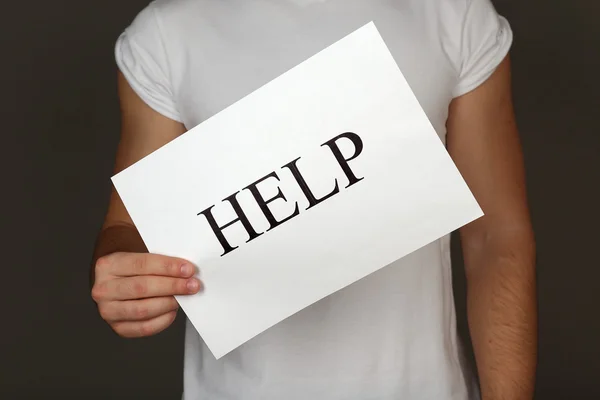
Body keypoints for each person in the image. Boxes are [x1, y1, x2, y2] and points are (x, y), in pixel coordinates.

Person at [90, 0, 537, 399]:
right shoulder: (167, 35)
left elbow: (495, 236)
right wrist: (126, 278)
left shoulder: (453, 13)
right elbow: (127, 227)